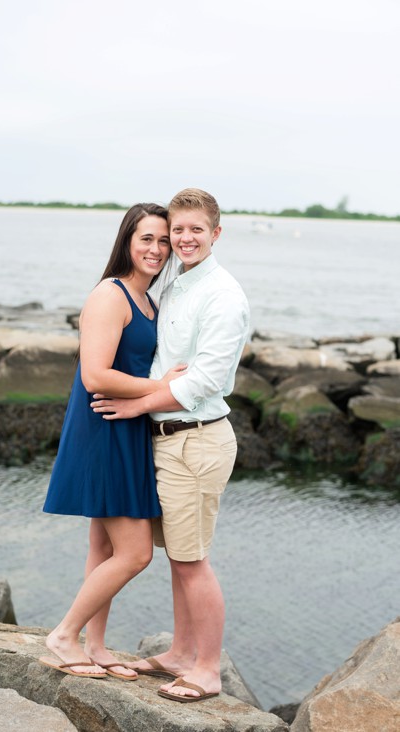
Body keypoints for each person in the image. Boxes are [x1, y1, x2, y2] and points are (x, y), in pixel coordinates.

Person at [91, 188, 251, 702]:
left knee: (191, 560)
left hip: (197, 441)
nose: (181, 239)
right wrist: (153, 394)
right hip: (166, 441)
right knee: (178, 556)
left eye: (193, 230)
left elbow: (209, 378)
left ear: (215, 234)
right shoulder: (178, 284)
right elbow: (162, 361)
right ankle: (182, 652)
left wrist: (141, 403)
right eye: (174, 231)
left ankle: (206, 670)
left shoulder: (223, 295)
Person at [38, 203, 185, 680]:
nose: (157, 249)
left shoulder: (148, 300)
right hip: (104, 425)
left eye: (164, 241)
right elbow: (95, 374)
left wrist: (153, 393)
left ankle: (95, 644)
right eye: (147, 238)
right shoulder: (110, 295)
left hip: (128, 426)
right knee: (136, 553)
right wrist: (165, 390)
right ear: (127, 240)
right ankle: (64, 636)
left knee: (103, 549)